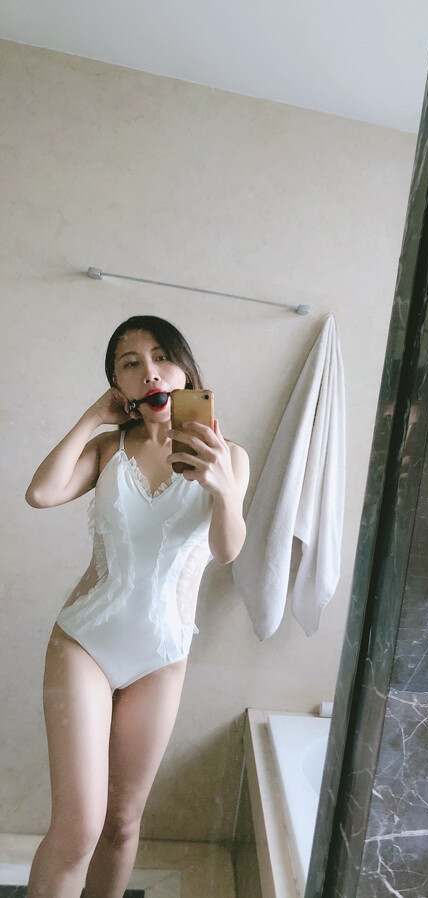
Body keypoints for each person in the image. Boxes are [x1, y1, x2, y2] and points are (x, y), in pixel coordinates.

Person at [24, 315, 249, 898]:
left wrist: (222, 486)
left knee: (122, 824)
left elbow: (227, 550)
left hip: (162, 657)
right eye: (131, 363)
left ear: (185, 372)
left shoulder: (228, 455)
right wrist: (91, 418)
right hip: (85, 644)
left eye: (162, 357)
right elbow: (40, 493)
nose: (150, 372)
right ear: (119, 386)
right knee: (79, 827)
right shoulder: (108, 448)